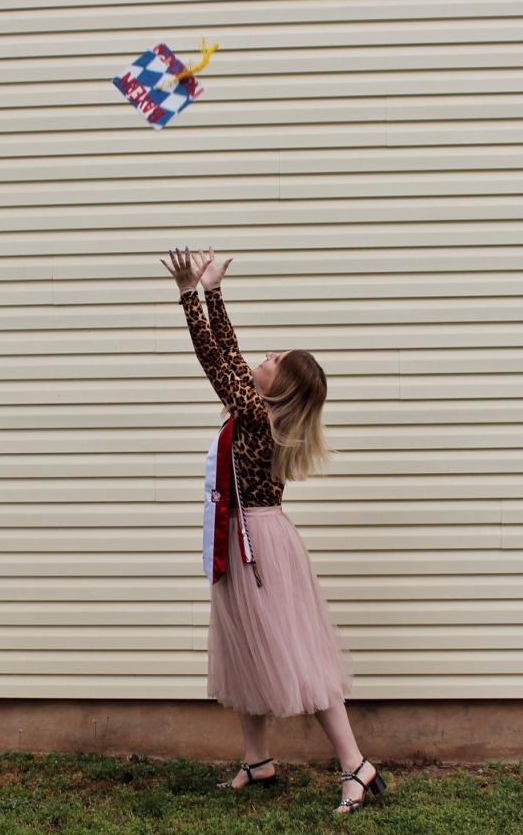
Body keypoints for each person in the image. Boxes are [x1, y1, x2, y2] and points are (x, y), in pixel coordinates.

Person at [159, 245, 388, 815]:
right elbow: (231, 355)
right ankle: (258, 760)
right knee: (249, 647)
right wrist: (211, 292)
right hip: (254, 540)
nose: (264, 356)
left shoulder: (260, 416)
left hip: (257, 544)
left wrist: (194, 294)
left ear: (278, 386)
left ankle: (356, 765)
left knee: (298, 656)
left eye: (275, 358)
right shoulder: (260, 411)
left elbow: (218, 360)